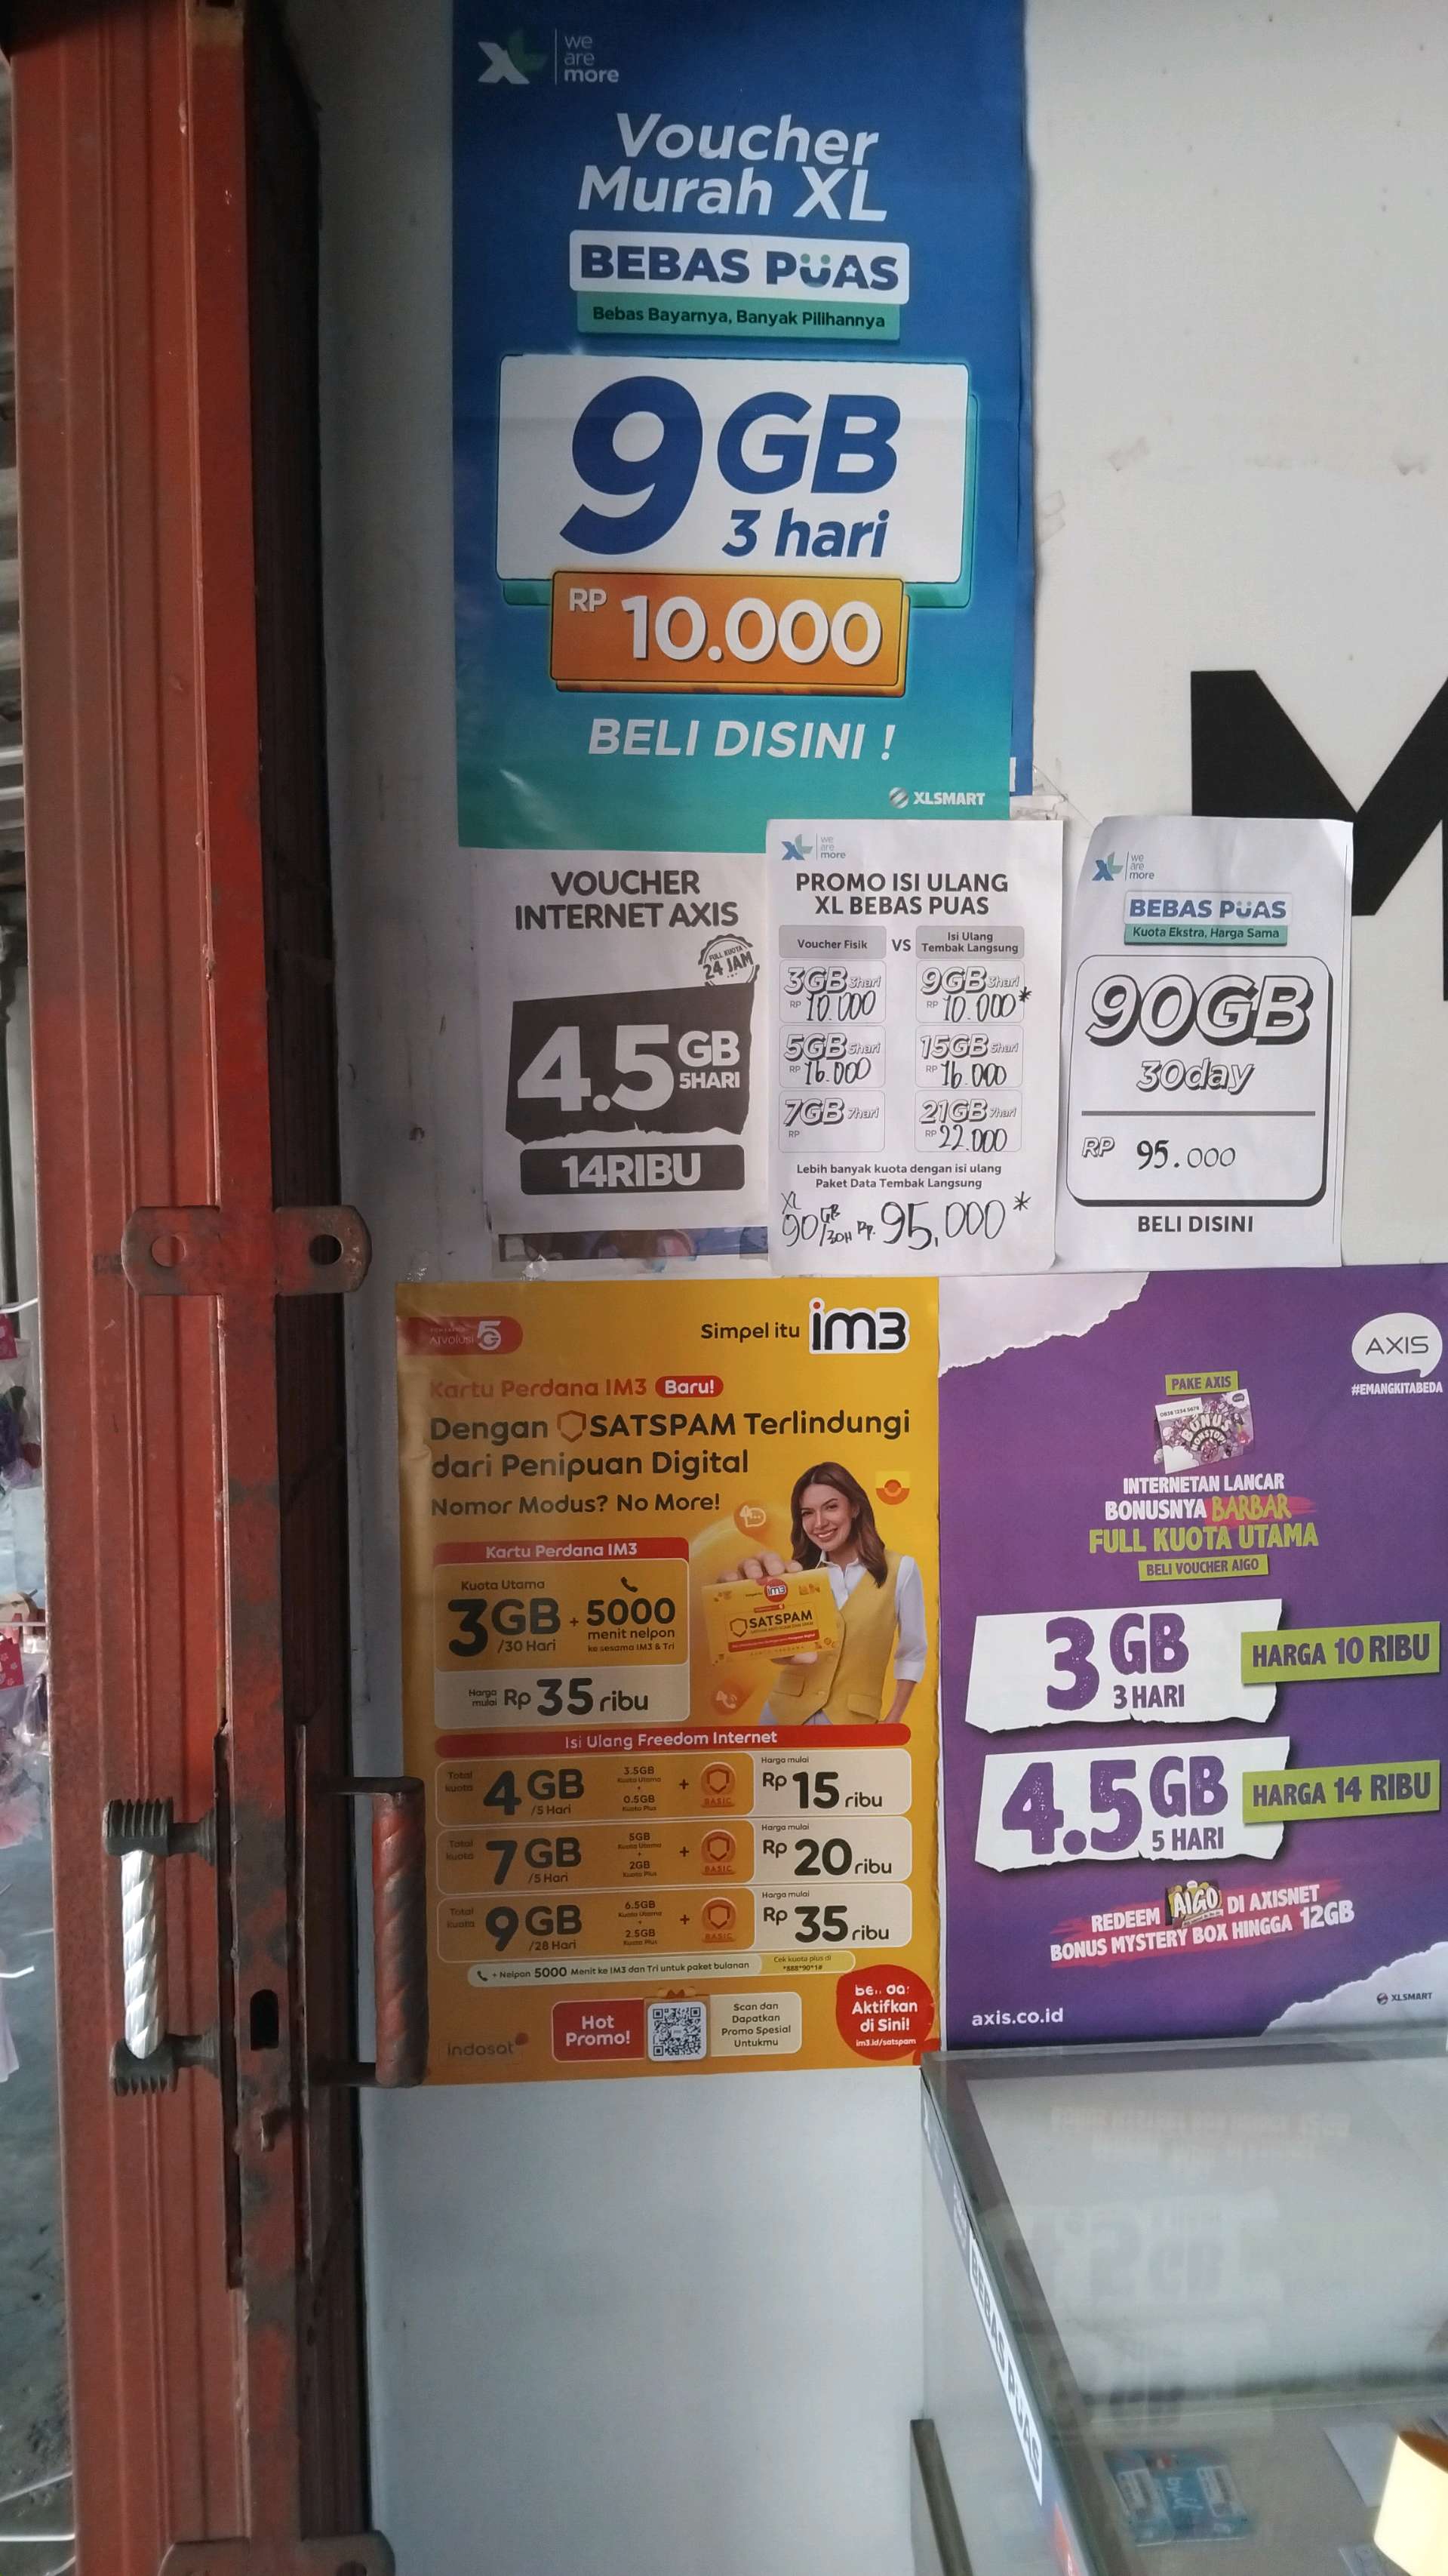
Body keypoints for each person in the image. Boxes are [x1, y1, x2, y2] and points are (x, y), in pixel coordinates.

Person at [730, 1460, 925, 1726]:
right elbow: (781, 1648)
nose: (819, 1523)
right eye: (807, 1513)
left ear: (855, 1507)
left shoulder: (901, 1569)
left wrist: (894, 1719)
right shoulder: (797, 1573)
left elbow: (912, 1652)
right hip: (782, 1715)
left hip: (853, 1720)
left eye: (831, 1507)